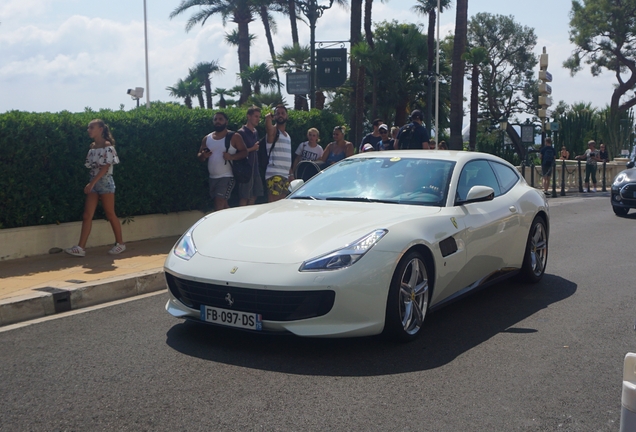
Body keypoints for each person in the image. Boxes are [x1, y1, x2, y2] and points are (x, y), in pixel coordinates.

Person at [64, 119, 125, 257]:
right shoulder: (92, 147)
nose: (89, 130)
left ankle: (120, 244)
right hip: (94, 182)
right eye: (88, 128)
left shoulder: (107, 146)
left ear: (101, 129)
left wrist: (92, 183)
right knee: (87, 215)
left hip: (105, 183)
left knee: (110, 213)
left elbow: (106, 167)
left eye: (92, 127)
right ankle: (81, 247)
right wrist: (92, 183)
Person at [197, 111, 248, 210]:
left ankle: (219, 224)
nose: (217, 121)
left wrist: (231, 157)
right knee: (223, 204)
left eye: (220, 119)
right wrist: (203, 155)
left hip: (227, 176)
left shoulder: (234, 136)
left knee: (218, 202)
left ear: (226, 122)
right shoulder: (207, 138)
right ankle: (232, 222)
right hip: (212, 177)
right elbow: (199, 156)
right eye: (215, 119)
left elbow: (244, 152)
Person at [264, 104, 293, 202]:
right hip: (274, 174)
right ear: (275, 116)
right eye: (278, 113)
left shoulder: (288, 136)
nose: (280, 115)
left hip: (285, 175)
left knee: (282, 205)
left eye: (283, 113)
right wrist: (268, 119)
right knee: (274, 204)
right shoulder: (274, 131)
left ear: (287, 116)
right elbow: (268, 128)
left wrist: (290, 174)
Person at [237, 106, 264, 206]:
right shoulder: (241, 133)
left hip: (255, 169)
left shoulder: (255, 132)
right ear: (249, 116)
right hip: (246, 170)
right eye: (256, 116)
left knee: (255, 195)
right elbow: (239, 152)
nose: (258, 119)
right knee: (244, 197)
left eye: (259, 117)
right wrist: (252, 148)